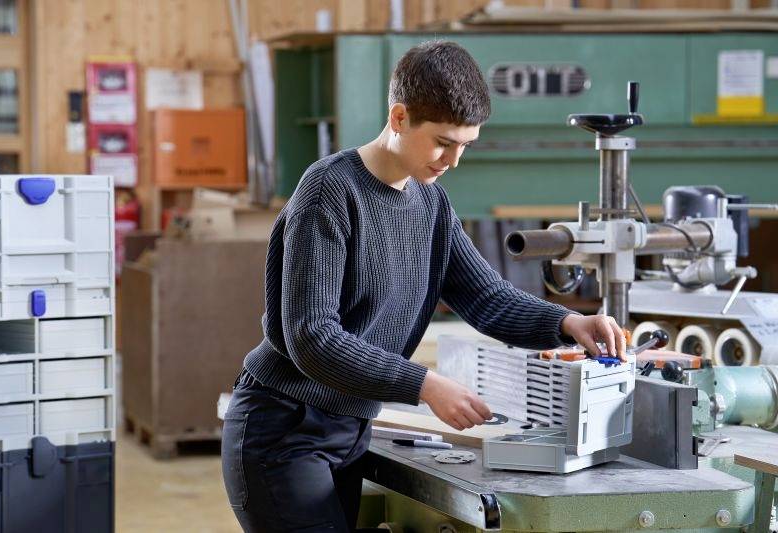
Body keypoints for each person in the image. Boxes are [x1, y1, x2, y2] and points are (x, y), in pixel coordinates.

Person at [221, 40, 626, 532]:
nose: (452, 160)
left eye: (464, 146)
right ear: (399, 117)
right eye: (442, 142)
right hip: (284, 428)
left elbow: (486, 298)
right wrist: (425, 385)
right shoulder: (329, 190)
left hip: (347, 429)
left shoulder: (430, 205)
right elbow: (312, 337)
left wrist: (567, 322)